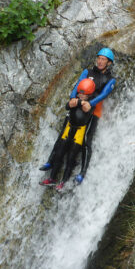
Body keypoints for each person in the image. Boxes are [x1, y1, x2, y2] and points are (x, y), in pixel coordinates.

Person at [39, 48, 116, 185]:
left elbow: (104, 94)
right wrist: (72, 99)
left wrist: (90, 103)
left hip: (93, 110)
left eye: (103, 59)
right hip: (77, 107)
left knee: (86, 141)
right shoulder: (88, 72)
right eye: (99, 58)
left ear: (109, 63)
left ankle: (82, 172)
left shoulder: (110, 79)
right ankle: (51, 162)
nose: (100, 61)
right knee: (63, 134)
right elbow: (77, 86)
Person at [39, 78, 96, 190]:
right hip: (69, 127)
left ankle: (63, 182)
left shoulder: (91, 103)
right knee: (59, 153)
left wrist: (79, 102)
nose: (80, 95)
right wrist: (78, 101)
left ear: (89, 95)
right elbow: (68, 105)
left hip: (79, 131)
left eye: (83, 94)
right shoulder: (76, 99)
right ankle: (52, 178)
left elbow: (86, 108)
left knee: (71, 158)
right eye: (79, 93)